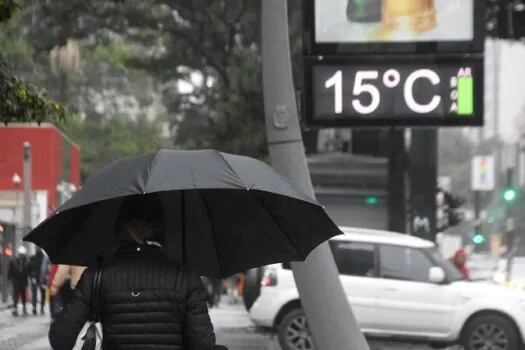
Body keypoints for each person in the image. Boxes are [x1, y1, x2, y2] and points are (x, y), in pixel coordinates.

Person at [49, 194, 216, 349]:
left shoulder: (97, 276)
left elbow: (60, 339)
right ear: (162, 228)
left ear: (119, 229)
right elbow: (203, 344)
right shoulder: (184, 277)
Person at [8, 246, 30, 316]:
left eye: (22, 255)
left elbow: (27, 272)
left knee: (23, 294)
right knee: (16, 294)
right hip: (15, 280)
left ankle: (24, 308)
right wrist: (10, 279)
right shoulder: (13, 261)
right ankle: (15, 308)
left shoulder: (26, 262)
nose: (21, 256)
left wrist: (26, 282)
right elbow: (10, 271)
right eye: (20, 254)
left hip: (22, 280)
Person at [29, 247, 48, 315]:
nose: (37, 249)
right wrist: (31, 277)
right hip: (35, 278)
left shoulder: (44, 258)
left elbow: (47, 268)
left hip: (42, 278)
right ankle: (34, 307)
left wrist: (46, 276)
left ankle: (42, 307)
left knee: (43, 293)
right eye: (36, 248)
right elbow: (29, 268)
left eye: (38, 248)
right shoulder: (32, 258)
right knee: (34, 293)